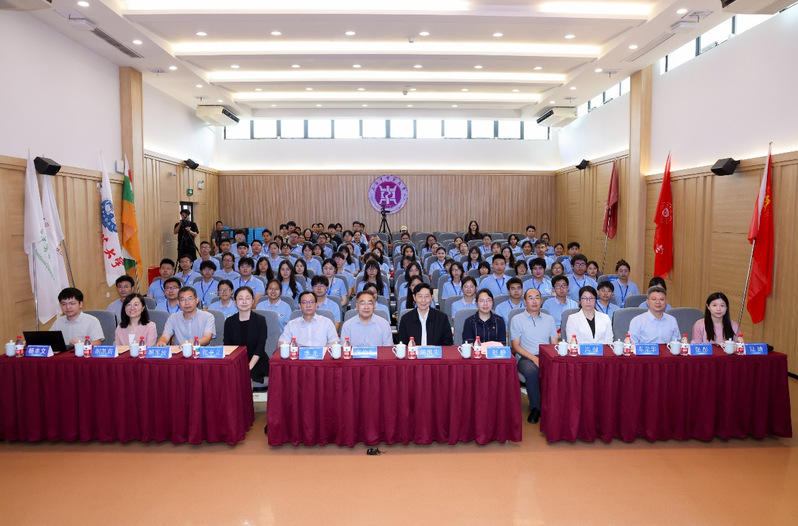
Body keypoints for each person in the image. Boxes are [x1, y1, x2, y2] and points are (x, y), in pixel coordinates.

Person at [510, 289, 558, 424]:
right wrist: (534, 358)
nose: (534, 301)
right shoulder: (517, 319)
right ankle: (536, 407)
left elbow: (554, 343)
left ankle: (555, 406)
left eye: (537, 297)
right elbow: (516, 346)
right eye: (530, 298)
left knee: (560, 369)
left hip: (547, 355)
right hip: (526, 357)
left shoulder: (549, 319)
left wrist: (550, 358)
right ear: (525, 301)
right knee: (531, 372)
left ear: (541, 301)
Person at [224, 286, 269, 388]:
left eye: (247, 298)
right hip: (236, 361)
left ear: (253, 301)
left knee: (246, 378)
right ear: (235, 302)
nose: (244, 302)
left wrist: (248, 367)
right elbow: (227, 346)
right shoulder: (229, 322)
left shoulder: (260, 320)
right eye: (240, 298)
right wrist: (237, 365)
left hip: (257, 361)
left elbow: (260, 347)